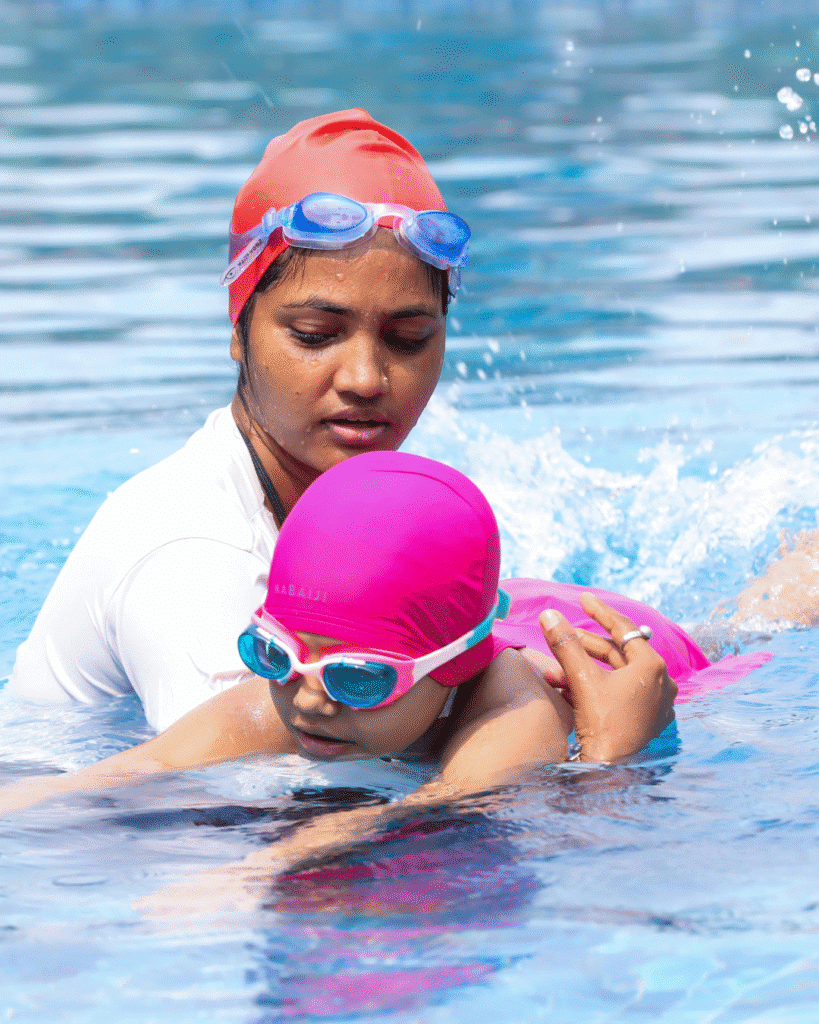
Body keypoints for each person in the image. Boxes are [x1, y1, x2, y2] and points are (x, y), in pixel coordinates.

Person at [8, 107, 671, 734]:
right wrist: (601, 771)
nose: (364, 379)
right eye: (315, 334)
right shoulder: (192, 554)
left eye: (408, 339)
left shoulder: (361, 516)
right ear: (238, 329)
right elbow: (254, 811)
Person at [0, 452, 769, 836]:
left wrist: (254, 874)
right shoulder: (311, 673)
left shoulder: (512, 713)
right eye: (273, 653)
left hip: (610, 643)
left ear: (452, 668)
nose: (308, 698)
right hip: (427, 610)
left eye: (358, 679)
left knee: (744, 623)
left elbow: (433, 810)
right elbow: (133, 768)